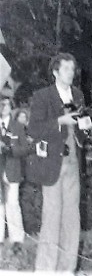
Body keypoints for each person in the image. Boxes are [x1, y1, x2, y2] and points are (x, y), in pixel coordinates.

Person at [28, 52, 92, 272]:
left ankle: (67, 270)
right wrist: (59, 122)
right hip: (52, 165)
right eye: (66, 69)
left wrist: (86, 128)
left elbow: (83, 127)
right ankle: (45, 271)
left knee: (72, 221)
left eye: (72, 69)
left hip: (73, 163)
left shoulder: (78, 95)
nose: (71, 73)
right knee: (52, 220)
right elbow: (34, 129)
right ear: (55, 72)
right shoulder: (43, 96)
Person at [0, 96, 28, 254]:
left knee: (12, 204)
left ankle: (17, 239)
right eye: (1, 105)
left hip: (12, 170)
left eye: (6, 105)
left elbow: (24, 149)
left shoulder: (17, 126)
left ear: (11, 108)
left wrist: (9, 149)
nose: (3, 107)